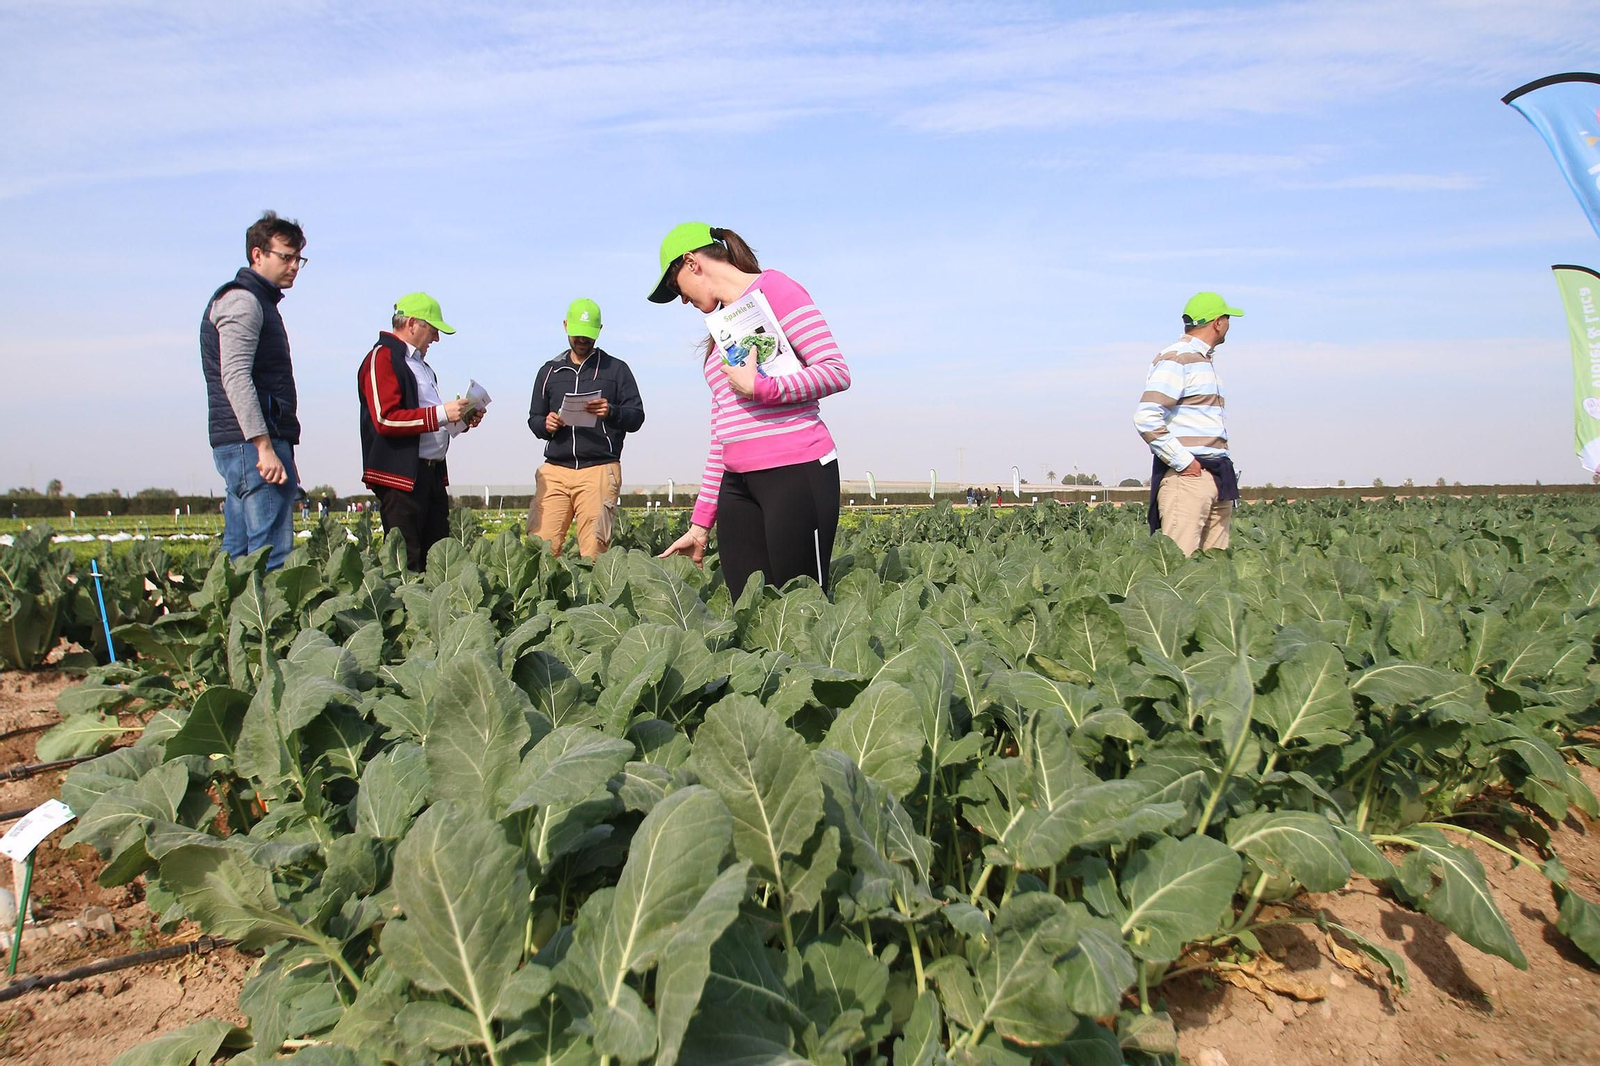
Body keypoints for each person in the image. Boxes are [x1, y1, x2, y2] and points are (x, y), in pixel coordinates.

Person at [651, 223, 851, 599]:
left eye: (676, 288)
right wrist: (699, 524)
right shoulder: (722, 328)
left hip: (795, 472)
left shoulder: (775, 289)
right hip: (738, 486)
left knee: (801, 610)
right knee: (749, 613)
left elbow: (835, 370)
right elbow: (722, 430)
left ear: (692, 263)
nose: (681, 300)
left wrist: (763, 388)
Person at [199, 211, 307, 570]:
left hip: (244, 442)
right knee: (269, 556)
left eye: (298, 259)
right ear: (257, 254)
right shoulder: (244, 302)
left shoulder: (255, 301)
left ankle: (236, 623)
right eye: (285, 256)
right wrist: (264, 445)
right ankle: (267, 626)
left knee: (240, 553)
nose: (293, 266)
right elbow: (235, 376)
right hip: (253, 443)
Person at [357, 293, 484, 571]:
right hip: (402, 480)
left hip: (431, 476)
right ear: (412, 323)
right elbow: (385, 420)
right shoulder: (382, 358)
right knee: (407, 563)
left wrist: (461, 420)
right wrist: (442, 413)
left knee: (438, 562)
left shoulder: (423, 367)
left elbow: (429, 424)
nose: (436, 338)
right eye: (433, 329)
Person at [526, 298, 646, 557]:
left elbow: (636, 416)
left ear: (600, 330)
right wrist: (545, 424)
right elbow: (534, 419)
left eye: (588, 335)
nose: (582, 340)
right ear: (565, 326)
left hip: (599, 470)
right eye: (577, 335)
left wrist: (611, 411)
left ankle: (592, 598)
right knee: (541, 549)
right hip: (555, 471)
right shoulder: (549, 372)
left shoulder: (616, 370)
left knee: (594, 553)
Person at [1134, 292, 1243, 555]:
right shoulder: (1177, 358)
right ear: (1217, 322)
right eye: (1227, 318)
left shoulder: (1204, 361)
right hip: (1190, 480)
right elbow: (1146, 417)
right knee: (1180, 571)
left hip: (1217, 477)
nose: (1229, 324)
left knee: (1213, 571)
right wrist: (1186, 463)